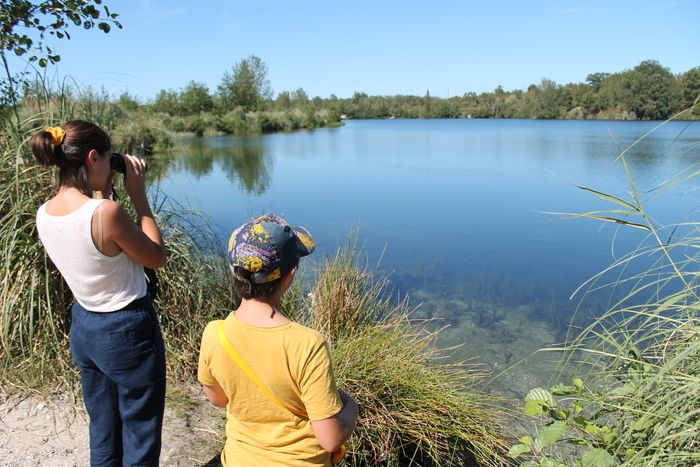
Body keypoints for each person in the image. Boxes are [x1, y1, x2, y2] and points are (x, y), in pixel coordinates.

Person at [32, 121, 168, 466]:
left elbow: (94, 245)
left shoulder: (44, 214)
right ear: (93, 158)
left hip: (85, 327)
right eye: (109, 160)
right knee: (140, 427)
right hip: (126, 329)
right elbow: (157, 258)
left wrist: (104, 190)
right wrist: (139, 198)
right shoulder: (106, 212)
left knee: (104, 427)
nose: (112, 168)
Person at [198, 214, 359, 466]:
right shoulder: (307, 344)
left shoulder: (214, 333)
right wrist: (352, 406)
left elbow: (218, 399)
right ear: (290, 275)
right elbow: (330, 440)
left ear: (234, 272)